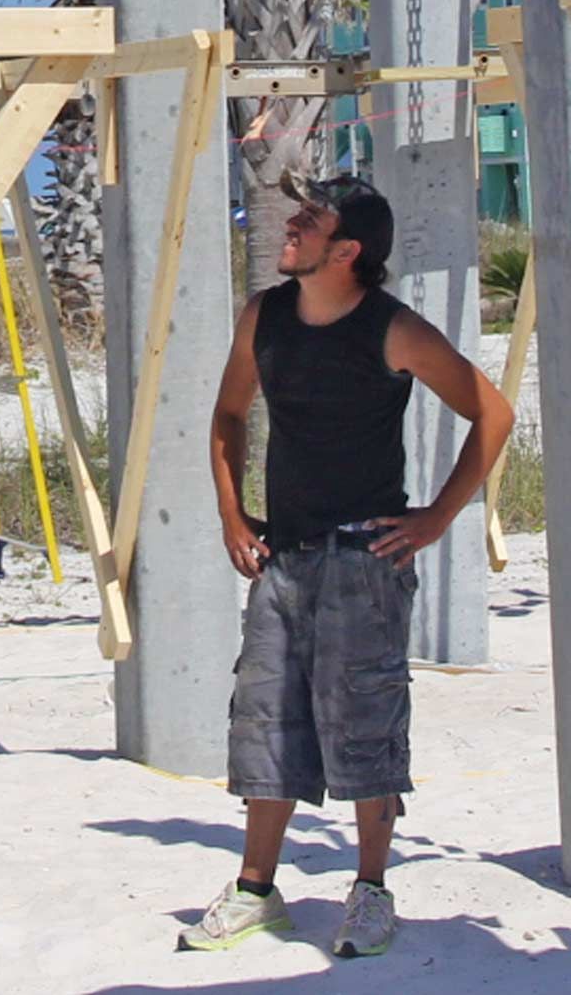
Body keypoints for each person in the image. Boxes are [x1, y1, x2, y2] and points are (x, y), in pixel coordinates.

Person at [185, 174, 514, 959]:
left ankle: (370, 891)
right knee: (264, 722)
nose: (290, 226)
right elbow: (229, 412)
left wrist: (437, 518)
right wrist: (231, 514)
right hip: (284, 557)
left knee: (366, 723)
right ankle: (257, 890)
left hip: (366, 558)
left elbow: (491, 413)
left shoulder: (392, 329)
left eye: (310, 220)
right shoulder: (264, 316)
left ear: (348, 251)